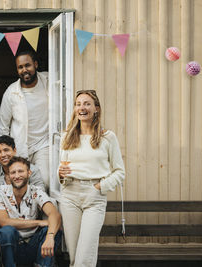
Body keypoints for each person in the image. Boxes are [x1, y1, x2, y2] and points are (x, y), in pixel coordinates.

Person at [58, 89, 125, 267]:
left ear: (96, 108)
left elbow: (120, 171)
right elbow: (62, 169)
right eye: (78, 104)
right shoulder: (66, 136)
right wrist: (60, 175)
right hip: (69, 196)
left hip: (94, 197)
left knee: (84, 257)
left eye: (87, 104)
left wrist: (100, 187)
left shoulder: (107, 137)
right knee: (74, 257)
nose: (82, 108)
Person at [0, 156, 62, 267]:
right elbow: (4, 222)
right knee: (6, 231)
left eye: (20, 171)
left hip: (33, 244)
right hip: (12, 246)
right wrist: (38, 223)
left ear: (29, 173)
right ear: (8, 176)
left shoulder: (36, 191)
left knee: (52, 229)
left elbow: (54, 215)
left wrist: (50, 237)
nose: (17, 176)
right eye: (13, 172)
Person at [0, 50, 50, 189]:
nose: (24, 70)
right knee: (20, 183)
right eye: (20, 67)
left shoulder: (49, 81)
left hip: (43, 144)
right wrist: (6, 153)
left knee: (44, 180)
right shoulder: (11, 92)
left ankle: (41, 210)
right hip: (19, 147)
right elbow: (3, 127)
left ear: (36, 64)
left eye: (28, 65)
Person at [0, 135, 45, 216]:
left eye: (6, 150)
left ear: (14, 151)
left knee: (49, 201)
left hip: (29, 211)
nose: (3, 155)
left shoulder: (31, 169)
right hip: (3, 214)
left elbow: (40, 190)